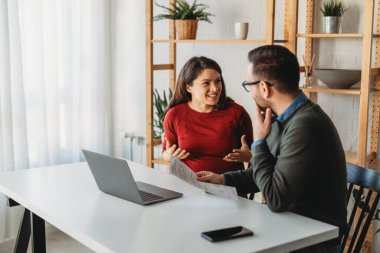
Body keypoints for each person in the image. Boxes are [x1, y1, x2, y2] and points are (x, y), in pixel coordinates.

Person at [197, 45, 347, 252]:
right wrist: (223, 180)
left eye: (248, 85)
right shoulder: (281, 118)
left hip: (312, 243)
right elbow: (266, 174)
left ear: (264, 88)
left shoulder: (306, 125)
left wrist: (258, 141)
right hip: (287, 229)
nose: (249, 92)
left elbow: (275, 198)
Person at [162, 56, 253, 174]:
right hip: (188, 186)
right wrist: (169, 156)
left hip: (228, 187)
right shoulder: (174, 115)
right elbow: (166, 152)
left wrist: (249, 156)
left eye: (218, 81)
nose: (215, 88)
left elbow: (256, 155)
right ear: (188, 87)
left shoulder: (237, 113)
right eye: (206, 83)